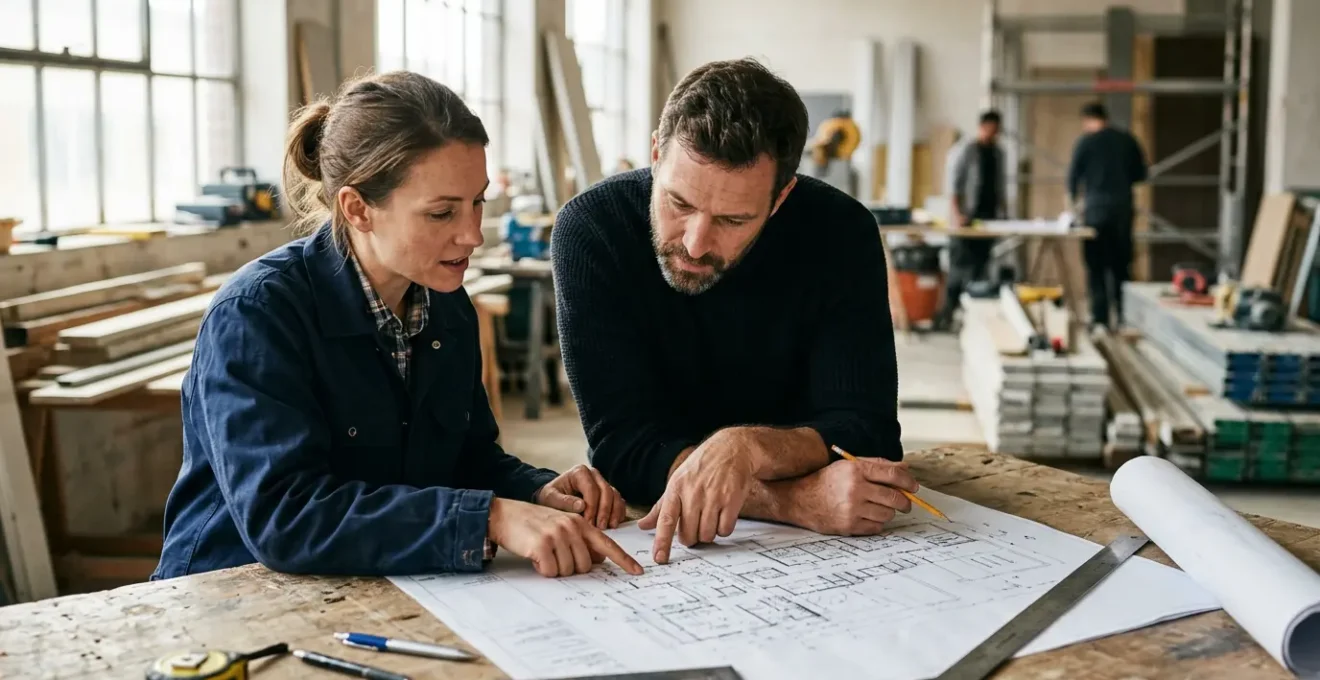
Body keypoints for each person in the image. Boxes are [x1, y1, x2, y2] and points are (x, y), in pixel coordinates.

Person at [152, 72, 643, 581]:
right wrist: (490, 518)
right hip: (230, 593)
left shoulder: (446, 305)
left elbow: (465, 458)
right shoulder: (258, 314)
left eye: (477, 201)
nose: (472, 234)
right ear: (358, 208)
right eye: (441, 213)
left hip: (368, 583)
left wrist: (536, 490)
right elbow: (286, 517)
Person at [551, 58, 915, 565]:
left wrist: (749, 448)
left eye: (733, 219)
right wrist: (793, 501)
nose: (696, 245)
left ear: (781, 195)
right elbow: (624, 446)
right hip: (669, 534)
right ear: (656, 155)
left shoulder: (840, 232)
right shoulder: (591, 231)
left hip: (817, 554)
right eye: (678, 203)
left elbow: (868, 431)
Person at [1067, 102, 1148, 331]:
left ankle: (1100, 318)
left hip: (1095, 213)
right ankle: (1124, 317)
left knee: (1096, 267)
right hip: (1122, 210)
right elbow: (1141, 174)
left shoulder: (1085, 142)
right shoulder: (1127, 140)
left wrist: (1073, 208)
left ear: (1087, 120)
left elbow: (1073, 179)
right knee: (1121, 266)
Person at [937, 110, 1007, 330]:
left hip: (988, 217)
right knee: (959, 267)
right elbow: (953, 184)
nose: (993, 134)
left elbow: (1000, 185)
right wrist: (957, 214)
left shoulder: (998, 153)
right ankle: (947, 314)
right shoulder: (965, 150)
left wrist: (1003, 213)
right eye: (990, 129)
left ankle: (973, 317)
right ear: (982, 126)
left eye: (997, 131)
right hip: (966, 217)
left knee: (981, 267)